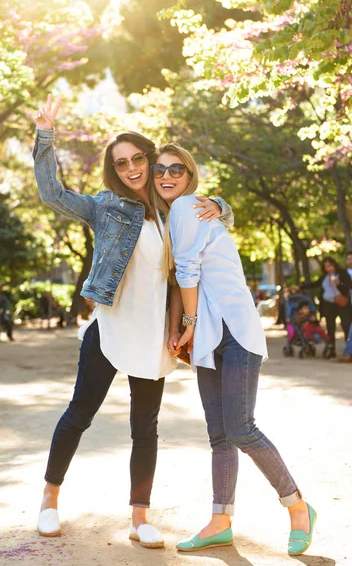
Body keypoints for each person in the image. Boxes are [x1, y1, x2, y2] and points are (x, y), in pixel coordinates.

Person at [33, 95, 233, 545]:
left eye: (138, 158)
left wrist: (220, 205)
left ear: (149, 157)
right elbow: (52, 194)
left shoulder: (175, 211)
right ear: (115, 170)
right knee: (79, 414)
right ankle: (49, 499)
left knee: (146, 428)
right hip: (109, 328)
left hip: (153, 335)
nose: (132, 169)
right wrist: (46, 136)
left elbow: (217, 217)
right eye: (121, 163)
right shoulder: (105, 207)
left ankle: (139, 517)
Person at [151, 143, 316, 557]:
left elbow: (188, 271)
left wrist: (186, 325)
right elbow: (177, 281)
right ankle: (220, 521)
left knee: (241, 428)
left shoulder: (188, 208)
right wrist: (183, 329)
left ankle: (298, 507)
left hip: (234, 330)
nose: (167, 175)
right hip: (208, 337)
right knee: (220, 434)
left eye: (177, 168)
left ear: (190, 177)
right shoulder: (173, 217)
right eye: (159, 170)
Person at [300, 257, 351, 357]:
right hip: (328, 304)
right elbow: (315, 284)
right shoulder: (325, 277)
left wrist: (339, 283)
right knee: (330, 327)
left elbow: (349, 285)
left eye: (330, 266)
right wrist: (301, 287)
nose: (329, 268)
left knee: (346, 325)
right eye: (326, 267)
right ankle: (331, 348)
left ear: (334, 265)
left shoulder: (342, 273)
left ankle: (349, 349)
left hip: (341, 303)